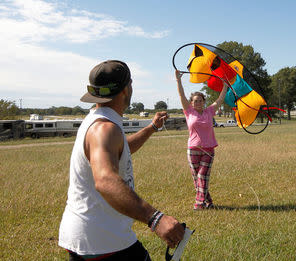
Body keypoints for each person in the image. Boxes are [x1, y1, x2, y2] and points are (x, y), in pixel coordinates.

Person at [59, 60, 185, 260]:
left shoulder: (98, 119)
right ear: (126, 89)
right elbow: (105, 180)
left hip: (91, 235)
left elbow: (119, 149)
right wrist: (155, 219)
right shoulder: (104, 129)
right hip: (103, 240)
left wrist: (151, 128)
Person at [175, 70, 228, 210]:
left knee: (202, 175)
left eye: (200, 100)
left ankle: (199, 204)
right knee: (197, 179)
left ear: (204, 102)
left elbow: (220, 99)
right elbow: (181, 95)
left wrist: (225, 86)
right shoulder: (189, 112)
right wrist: (178, 80)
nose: (198, 103)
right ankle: (209, 202)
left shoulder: (210, 111)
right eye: (195, 101)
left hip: (208, 149)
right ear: (191, 103)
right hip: (193, 149)